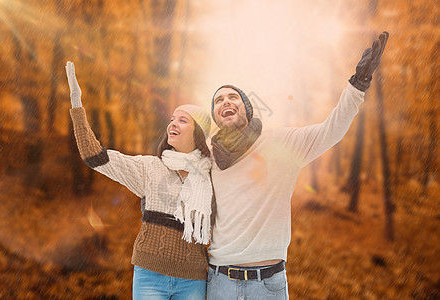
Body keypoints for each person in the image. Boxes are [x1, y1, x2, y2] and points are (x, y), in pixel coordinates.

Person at [206, 32, 389, 299]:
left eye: (232, 97)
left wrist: (357, 86)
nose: (225, 102)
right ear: (216, 116)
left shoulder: (281, 144)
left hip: (267, 285)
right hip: (219, 282)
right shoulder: (208, 157)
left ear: (246, 107)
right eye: (218, 100)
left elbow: (330, 131)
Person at [65, 61, 213, 300]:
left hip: (193, 279)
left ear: (199, 134)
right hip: (150, 276)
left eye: (183, 120)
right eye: (172, 119)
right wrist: (76, 103)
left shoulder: (211, 177)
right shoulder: (150, 167)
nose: (173, 123)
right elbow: (94, 156)